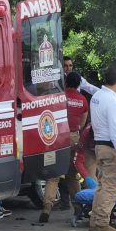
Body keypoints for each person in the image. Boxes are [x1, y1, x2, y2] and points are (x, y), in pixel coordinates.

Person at [39, 72, 88, 223]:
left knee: (52, 176)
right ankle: (79, 208)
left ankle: (47, 208)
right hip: (73, 137)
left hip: (56, 138)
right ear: (79, 84)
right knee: (72, 176)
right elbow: (82, 124)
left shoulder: (58, 96)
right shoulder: (83, 100)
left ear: (65, 82)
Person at [89, 65, 116, 231]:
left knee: (102, 185)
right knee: (111, 186)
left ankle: (95, 220)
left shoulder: (97, 96)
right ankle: (102, 222)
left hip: (99, 145)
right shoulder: (112, 101)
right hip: (110, 147)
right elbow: (115, 132)